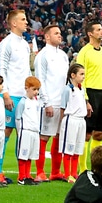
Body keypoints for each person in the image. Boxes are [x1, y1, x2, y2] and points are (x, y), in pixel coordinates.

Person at [34, 22, 69, 181]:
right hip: (49, 103)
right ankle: (40, 172)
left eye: (60, 33)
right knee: (44, 137)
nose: (60, 35)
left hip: (62, 103)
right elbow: (40, 80)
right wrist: (46, 102)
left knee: (59, 136)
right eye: (56, 33)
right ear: (47, 37)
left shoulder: (63, 55)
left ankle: (55, 171)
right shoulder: (42, 55)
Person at [77, 18, 102, 165]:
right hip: (90, 94)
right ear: (90, 33)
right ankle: (82, 168)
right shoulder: (84, 52)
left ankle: (96, 166)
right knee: (86, 134)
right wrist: (85, 99)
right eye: (98, 30)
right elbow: (80, 78)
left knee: (99, 134)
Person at [0, 9, 30, 166]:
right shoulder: (6, 44)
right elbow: (1, 70)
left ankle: (23, 172)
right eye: (23, 19)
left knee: (24, 133)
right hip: (11, 95)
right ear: (14, 23)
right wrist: (5, 94)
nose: (26, 22)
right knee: (6, 131)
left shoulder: (25, 44)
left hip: (24, 96)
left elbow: (26, 70)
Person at [59, 63, 88, 181]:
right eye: (81, 74)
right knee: (69, 148)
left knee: (78, 148)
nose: (83, 76)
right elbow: (62, 108)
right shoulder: (67, 90)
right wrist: (61, 124)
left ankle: (74, 173)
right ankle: (67, 174)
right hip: (71, 120)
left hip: (81, 121)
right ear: (73, 75)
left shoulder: (81, 89)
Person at [13, 76, 43, 185]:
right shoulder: (23, 102)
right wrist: (19, 131)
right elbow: (18, 118)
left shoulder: (36, 102)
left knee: (30, 155)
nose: (36, 92)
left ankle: (27, 175)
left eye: (38, 89)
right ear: (26, 88)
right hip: (25, 130)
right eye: (34, 89)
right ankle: (21, 177)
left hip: (35, 131)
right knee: (23, 154)